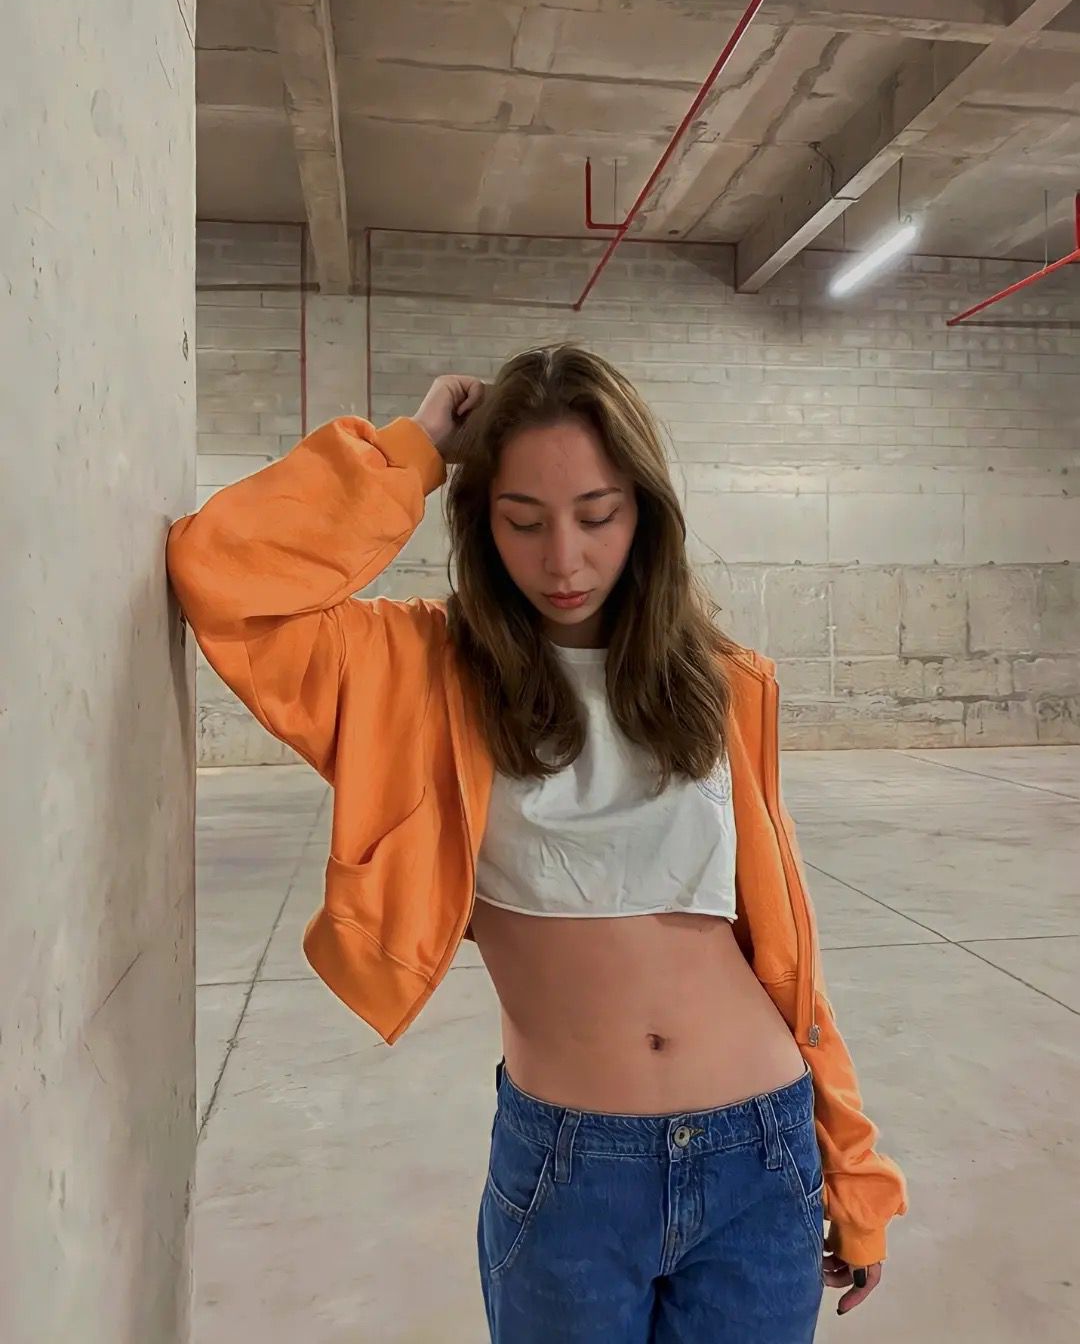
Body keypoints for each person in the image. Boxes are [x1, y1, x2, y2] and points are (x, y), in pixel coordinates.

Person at [167, 344, 906, 1342]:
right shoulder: (412, 670)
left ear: (645, 514)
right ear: (481, 520)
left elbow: (785, 956)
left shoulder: (722, 684)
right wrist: (414, 450)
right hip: (569, 1171)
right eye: (524, 520)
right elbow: (220, 571)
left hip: (759, 1157)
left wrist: (852, 1164)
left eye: (598, 515)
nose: (563, 560)